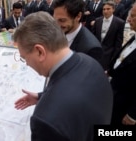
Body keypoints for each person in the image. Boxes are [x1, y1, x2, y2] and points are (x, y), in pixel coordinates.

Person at [13, 11, 113, 141]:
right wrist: (41, 96)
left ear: (39, 51)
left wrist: (48, 101)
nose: (26, 63)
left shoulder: (45, 120)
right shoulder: (90, 62)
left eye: (24, 58)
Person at [107, 3, 136, 125]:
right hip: (115, 99)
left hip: (126, 108)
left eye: (133, 16)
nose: (128, 19)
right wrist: (110, 71)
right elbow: (123, 59)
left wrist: (133, 115)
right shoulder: (134, 37)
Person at [53, 0, 103, 64]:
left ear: (78, 16)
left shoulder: (92, 49)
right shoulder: (57, 32)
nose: (56, 25)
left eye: (62, 20)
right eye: (55, 19)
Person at [93, 1, 125, 70]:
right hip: (96, 53)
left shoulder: (120, 23)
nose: (105, 11)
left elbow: (118, 42)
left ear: (113, 9)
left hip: (108, 54)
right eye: (104, 9)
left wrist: (114, 57)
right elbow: (93, 37)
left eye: (108, 9)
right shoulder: (97, 20)